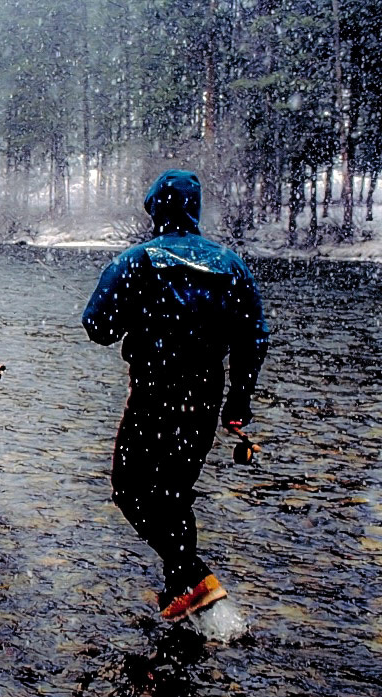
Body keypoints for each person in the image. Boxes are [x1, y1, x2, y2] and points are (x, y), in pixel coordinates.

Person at [82, 169, 269, 621]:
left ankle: (190, 574)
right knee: (175, 493)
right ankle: (179, 596)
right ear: (196, 209)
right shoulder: (229, 263)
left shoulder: (137, 261)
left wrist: (139, 317)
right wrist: (238, 403)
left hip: (154, 392)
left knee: (129, 490)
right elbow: (253, 338)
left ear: (155, 210)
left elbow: (98, 325)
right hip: (205, 393)